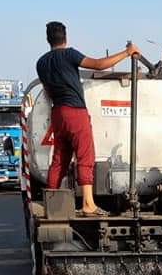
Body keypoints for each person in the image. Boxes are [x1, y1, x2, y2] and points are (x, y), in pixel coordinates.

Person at [36, 21, 140, 216]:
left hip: (57, 113)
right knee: (85, 156)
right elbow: (99, 65)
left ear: (48, 39)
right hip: (75, 112)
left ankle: (51, 205)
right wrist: (127, 52)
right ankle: (88, 204)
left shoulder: (41, 63)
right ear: (65, 37)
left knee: (59, 159)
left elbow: (47, 91)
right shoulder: (69, 54)